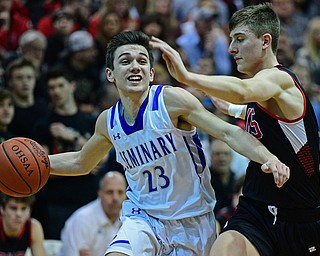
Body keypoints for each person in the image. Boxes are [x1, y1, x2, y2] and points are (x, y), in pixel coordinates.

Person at [48, 31, 289, 256]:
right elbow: (81, 162)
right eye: (125, 61)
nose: (135, 66)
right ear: (110, 74)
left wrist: (268, 157)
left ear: (151, 74)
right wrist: (41, 162)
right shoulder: (107, 121)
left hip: (191, 219)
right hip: (143, 216)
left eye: (142, 61)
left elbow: (227, 132)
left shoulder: (170, 101)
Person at [150, 3, 320, 256]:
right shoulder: (264, 93)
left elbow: (243, 92)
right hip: (256, 211)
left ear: (265, 41)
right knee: (225, 247)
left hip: (300, 220)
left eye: (240, 40)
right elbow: (262, 115)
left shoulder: (281, 80)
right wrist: (234, 111)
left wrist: (188, 77)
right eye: (231, 40)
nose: (231, 49)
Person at [31, 66, 97, 240]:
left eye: (61, 85)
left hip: (87, 198)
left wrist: (72, 137)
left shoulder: (90, 122)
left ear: (72, 86)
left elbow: (103, 159)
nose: (56, 91)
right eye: (52, 88)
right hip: (56, 202)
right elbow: (42, 168)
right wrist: (86, 164)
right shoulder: (43, 125)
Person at [59, 171, 127, 256]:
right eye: (110, 192)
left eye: (120, 192)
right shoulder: (81, 220)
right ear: (100, 194)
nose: (115, 198)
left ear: (126, 195)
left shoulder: (131, 221)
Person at [209, 139, 236, 214]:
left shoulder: (237, 181)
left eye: (226, 154)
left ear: (231, 157)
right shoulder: (204, 181)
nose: (222, 158)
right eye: (217, 154)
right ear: (211, 157)